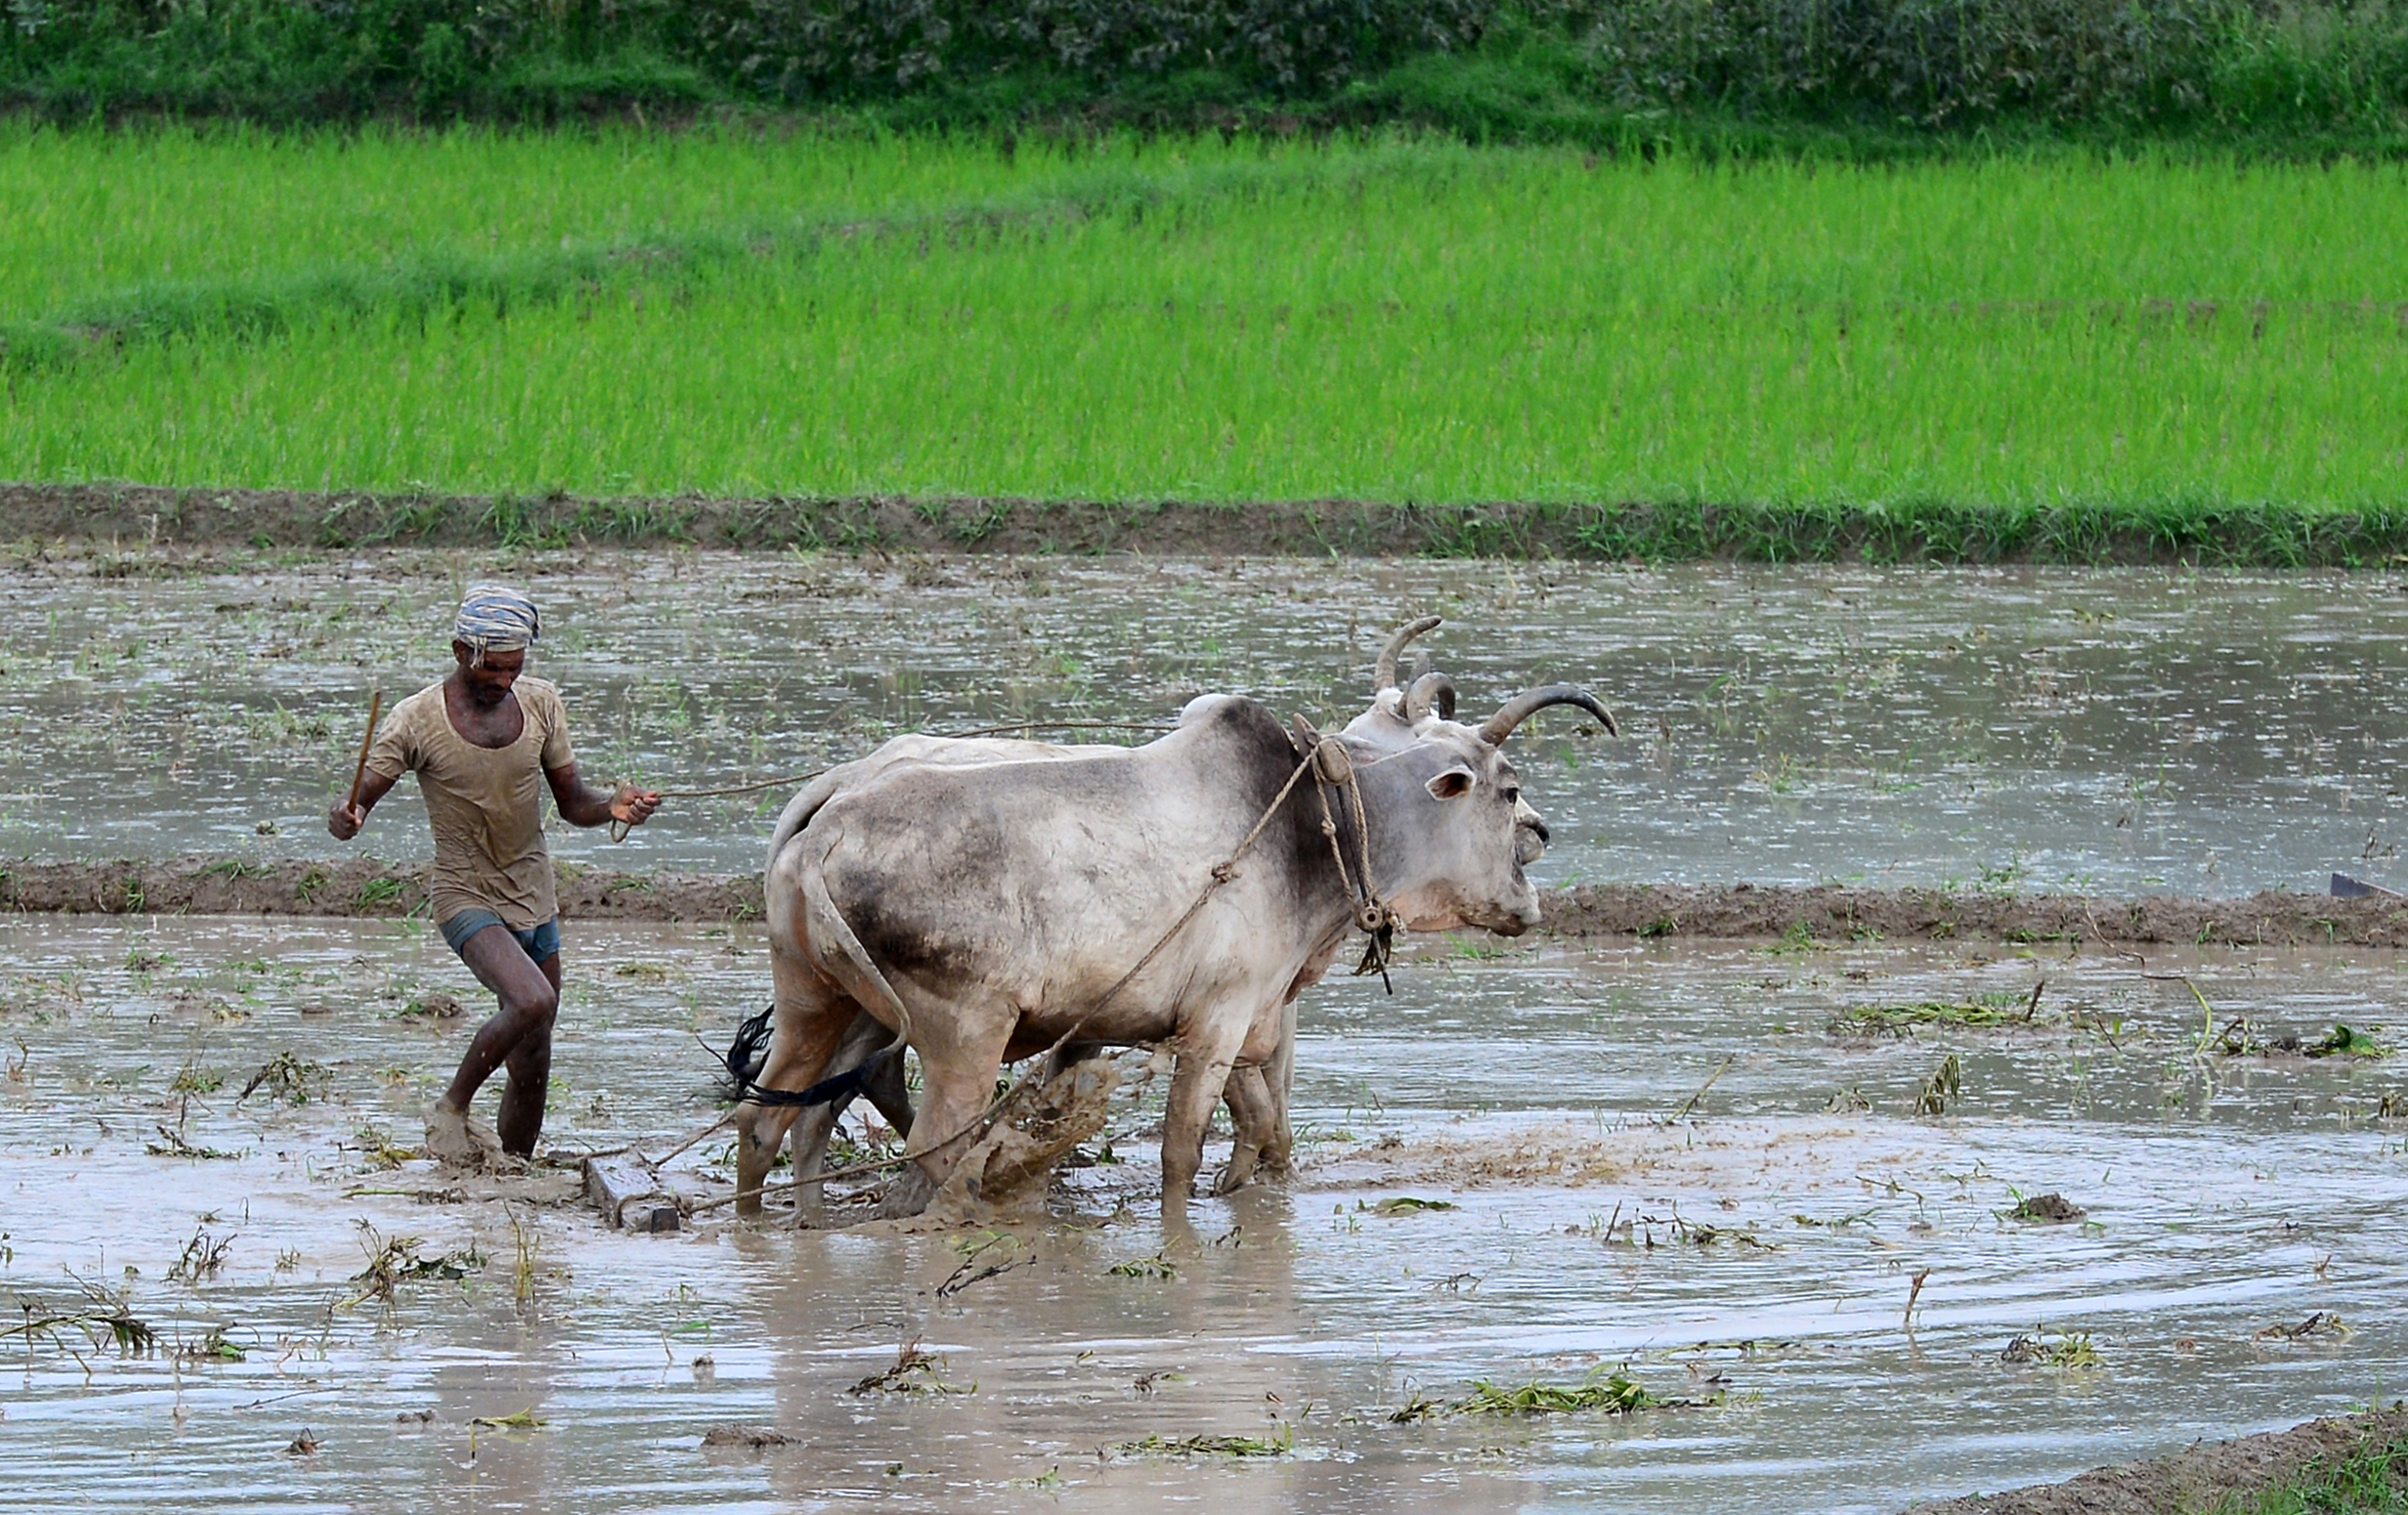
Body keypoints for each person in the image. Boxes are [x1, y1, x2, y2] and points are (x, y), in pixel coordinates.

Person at [327, 585, 660, 1168]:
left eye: (515, 666)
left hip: (535, 896)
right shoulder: (415, 720)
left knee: (534, 1055)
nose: (504, 680)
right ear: (461, 651)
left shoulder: (542, 704)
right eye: (492, 667)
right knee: (533, 1000)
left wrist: (612, 806)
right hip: (466, 895)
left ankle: (513, 1172)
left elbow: (572, 801)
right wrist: (347, 818)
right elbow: (357, 807)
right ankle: (452, 1108)